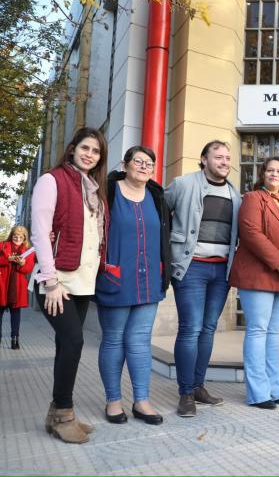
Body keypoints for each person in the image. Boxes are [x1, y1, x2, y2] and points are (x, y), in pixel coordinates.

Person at [31, 127, 108, 444]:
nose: (90, 155)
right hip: (57, 280)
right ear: (73, 148)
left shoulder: (94, 190)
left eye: (96, 151)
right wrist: (50, 282)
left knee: (66, 345)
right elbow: (40, 232)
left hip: (82, 281)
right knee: (74, 342)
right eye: (85, 148)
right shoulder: (52, 180)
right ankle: (64, 413)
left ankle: (57, 414)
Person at [95, 146, 171, 426]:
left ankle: (142, 401)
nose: (143, 166)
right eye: (138, 161)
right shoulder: (108, 192)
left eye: (149, 163)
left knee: (140, 341)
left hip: (149, 279)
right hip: (115, 278)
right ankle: (113, 400)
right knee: (114, 339)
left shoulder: (156, 195)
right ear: (124, 164)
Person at [165, 140, 241, 417]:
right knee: (191, 328)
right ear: (204, 159)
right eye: (218, 157)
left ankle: (198, 386)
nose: (224, 162)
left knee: (208, 329)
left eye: (227, 157)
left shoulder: (236, 196)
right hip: (191, 268)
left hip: (221, 271)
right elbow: (160, 214)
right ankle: (185, 393)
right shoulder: (183, 184)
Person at [229, 157, 279, 409]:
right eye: (270, 170)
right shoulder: (253, 198)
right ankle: (258, 393)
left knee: (274, 333)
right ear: (263, 174)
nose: (274, 174)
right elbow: (252, 233)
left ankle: (274, 388)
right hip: (260, 274)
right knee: (258, 330)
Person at [0, 225, 36, 350]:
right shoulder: (2, 245)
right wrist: (7, 259)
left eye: (21, 237)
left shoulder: (29, 251)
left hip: (17, 287)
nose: (18, 238)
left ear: (24, 238)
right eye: (15, 236)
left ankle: (14, 339)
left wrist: (22, 264)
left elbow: (28, 269)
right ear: (12, 235)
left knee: (15, 314)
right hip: (2, 285)